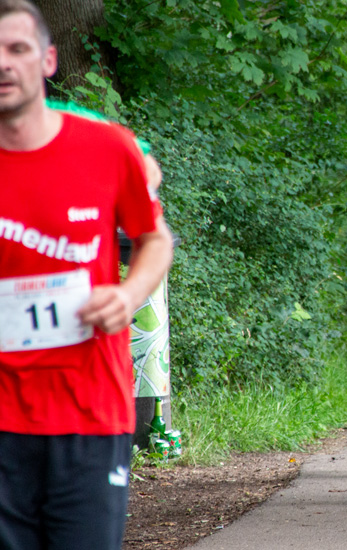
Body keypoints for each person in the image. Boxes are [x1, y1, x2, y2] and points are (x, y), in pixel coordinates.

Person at [0, 2, 175, 548]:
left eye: (17, 49)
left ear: (48, 60)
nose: (3, 64)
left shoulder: (105, 148)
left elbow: (154, 239)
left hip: (88, 409)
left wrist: (128, 294)